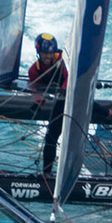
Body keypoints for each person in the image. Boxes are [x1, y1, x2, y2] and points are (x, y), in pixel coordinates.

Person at [27, 33, 68, 177]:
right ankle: (47, 174)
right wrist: (38, 104)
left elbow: (68, 77)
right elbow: (36, 90)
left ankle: (111, 114)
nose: (48, 57)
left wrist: (64, 89)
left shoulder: (64, 61)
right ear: (38, 52)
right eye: (45, 53)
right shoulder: (34, 70)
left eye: (51, 53)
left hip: (70, 97)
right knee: (51, 137)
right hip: (59, 102)